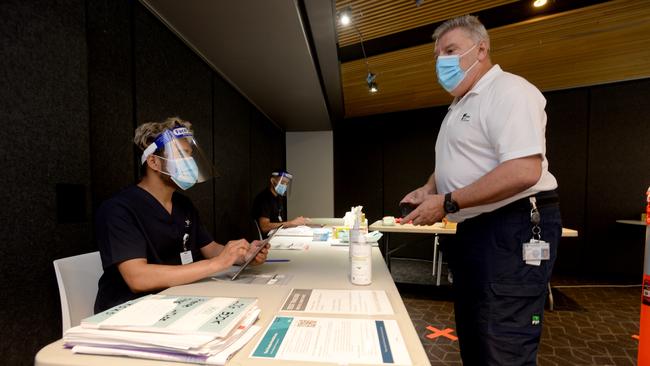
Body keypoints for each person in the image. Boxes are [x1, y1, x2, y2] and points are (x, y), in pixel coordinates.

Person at [400, 15, 561, 365]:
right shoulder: (460, 104)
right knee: (475, 336)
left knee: (501, 343)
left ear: (481, 48)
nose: (441, 60)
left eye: (451, 50)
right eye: (437, 54)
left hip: (512, 227)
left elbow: (524, 169)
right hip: (476, 230)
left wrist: (447, 201)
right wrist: (430, 188)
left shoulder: (509, 91)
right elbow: (461, 159)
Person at [94, 117, 268, 313]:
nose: (190, 162)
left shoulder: (183, 204)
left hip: (178, 299)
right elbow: (138, 278)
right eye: (181, 154)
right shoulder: (119, 209)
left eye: (190, 154)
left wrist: (241, 255)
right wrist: (217, 264)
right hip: (131, 309)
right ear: (153, 162)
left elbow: (209, 248)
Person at [251, 171, 309, 235]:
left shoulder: (278, 198)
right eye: (282, 183)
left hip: (277, 234)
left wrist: (295, 223)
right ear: (272, 181)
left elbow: (279, 221)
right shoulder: (263, 199)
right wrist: (291, 223)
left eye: (286, 184)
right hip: (268, 239)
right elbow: (264, 227)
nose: (284, 186)